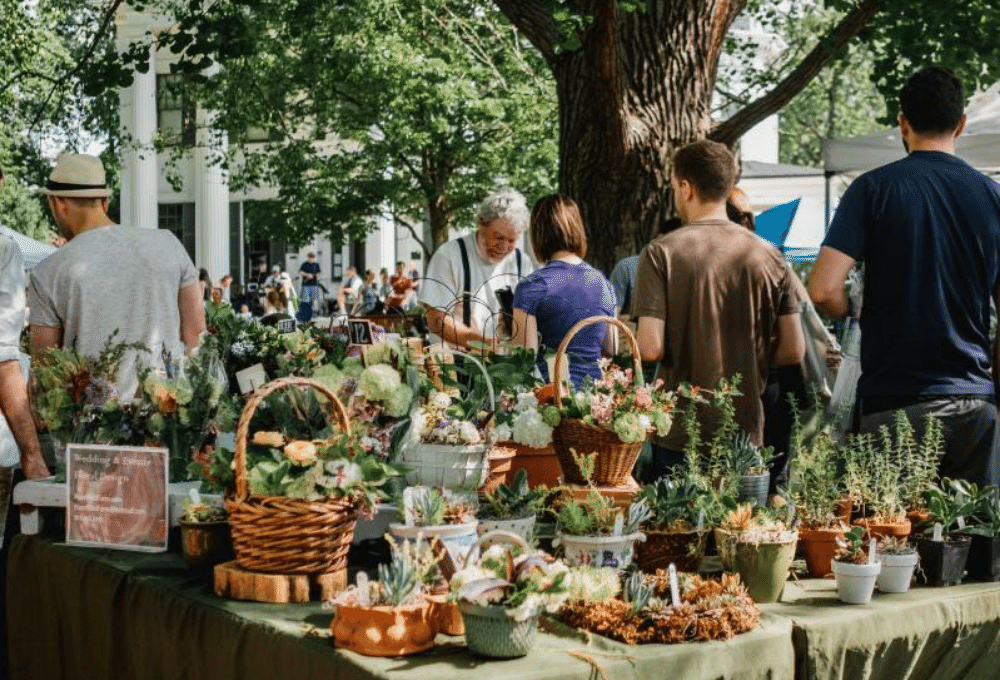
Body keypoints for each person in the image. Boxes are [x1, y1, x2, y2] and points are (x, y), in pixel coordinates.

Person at [808, 66, 1000, 488]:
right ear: (961, 124)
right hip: (974, 404)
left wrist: (854, 311)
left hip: (894, 399)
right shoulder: (991, 196)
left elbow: (822, 290)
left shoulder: (872, 189)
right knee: (973, 542)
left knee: (891, 540)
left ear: (902, 123)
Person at [634, 140, 804, 478]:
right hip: (746, 429)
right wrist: (745, 356)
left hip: (680, 432)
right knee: (739, 528)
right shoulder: (770, 256)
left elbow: (650, 348)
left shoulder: (660, 253)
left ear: (685, 187)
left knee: (676, 530)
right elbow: (793, 349)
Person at [28, 154, 205, 394]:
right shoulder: (168, 243)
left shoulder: (47, 273)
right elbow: (196, 340)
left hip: (91, 425)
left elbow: (46, 375)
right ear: (105, 201)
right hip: (169, 418)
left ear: (59, 204)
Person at [512, 195, 616, 387]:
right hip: (596, 401)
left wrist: (508, 333)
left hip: (551, 398)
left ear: (538, 234)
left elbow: (525, 359)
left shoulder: (532, 286)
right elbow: (609, 349)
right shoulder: (604, 284)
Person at [419, 188, 534, 350]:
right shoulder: (449, 256)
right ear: (480, 222)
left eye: (511, 240)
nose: (504, 246)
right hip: (455, 365)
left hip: (507, 367)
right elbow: (435, 319)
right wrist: (481, 343)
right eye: (498, 237)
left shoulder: (522, 263)